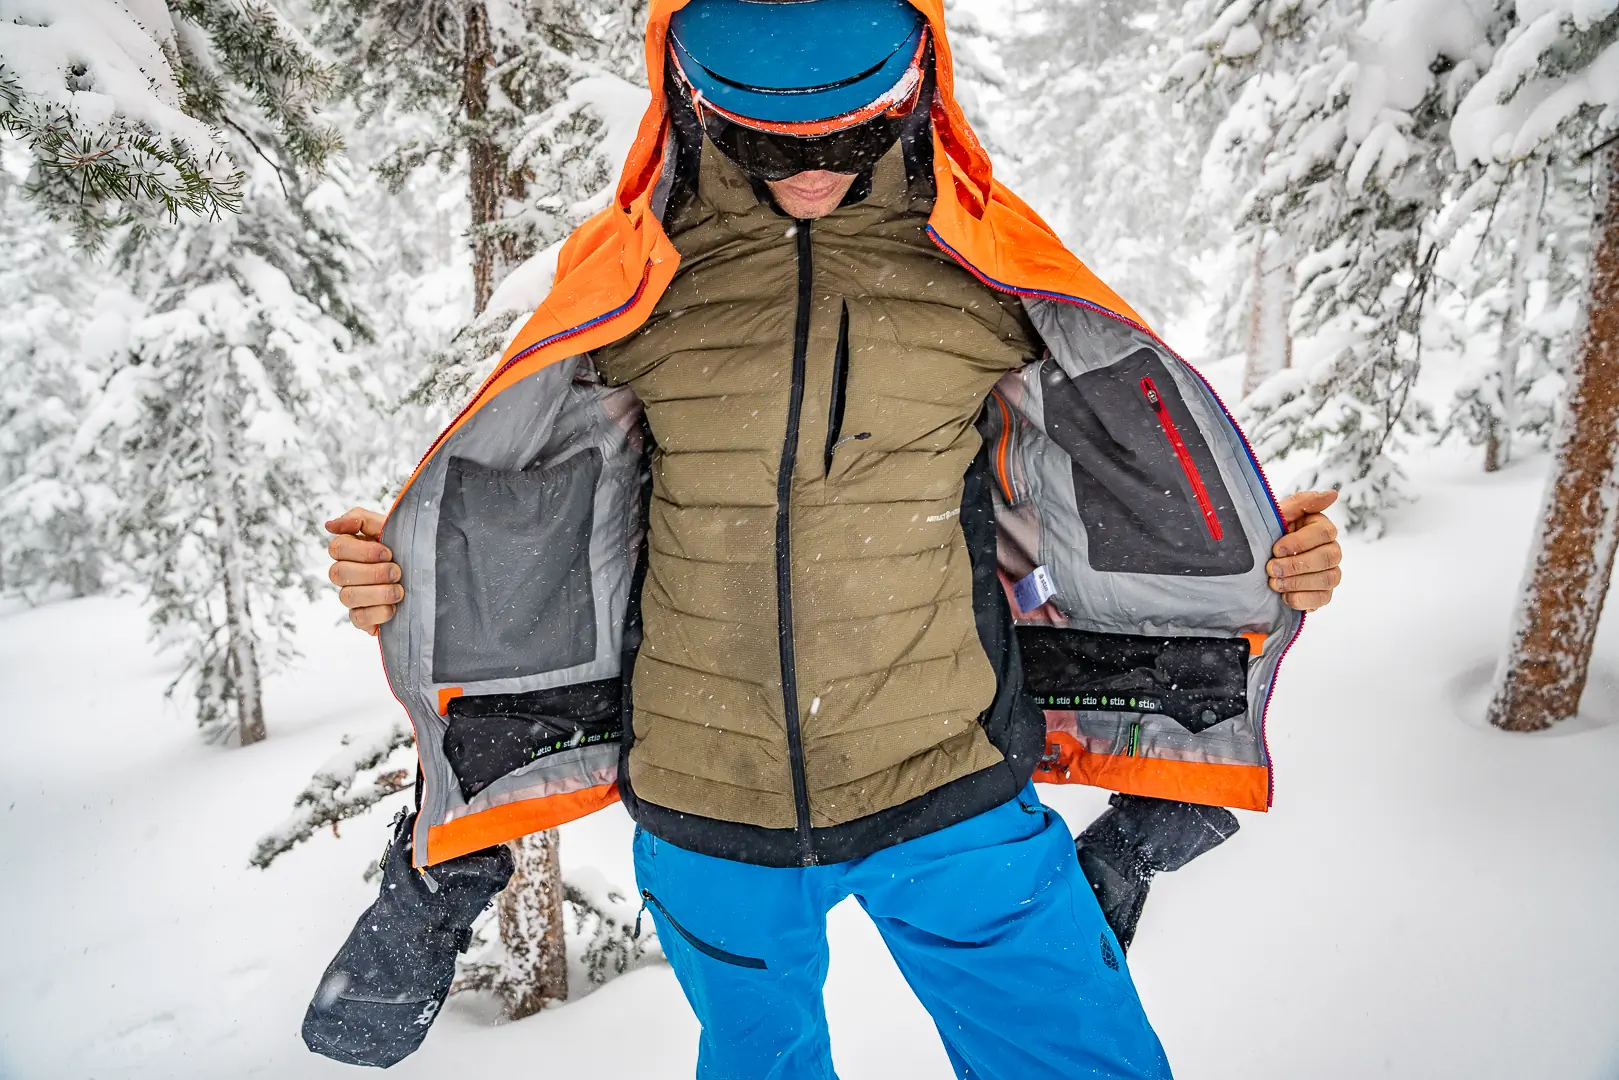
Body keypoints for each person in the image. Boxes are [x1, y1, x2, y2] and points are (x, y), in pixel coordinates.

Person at [321, 2, 1343, 1077]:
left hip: (951, 787)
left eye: (849, 140)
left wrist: (1263, 561)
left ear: (910, 97)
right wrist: (395, 575)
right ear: (696, 104)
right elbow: (526, 523)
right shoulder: (634, 283)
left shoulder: (985, 272)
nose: (809, 175)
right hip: (707, 808)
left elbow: (1123, 489)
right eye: (765, 144)